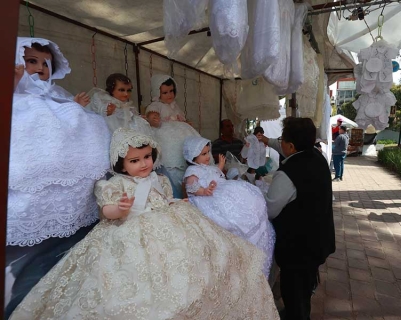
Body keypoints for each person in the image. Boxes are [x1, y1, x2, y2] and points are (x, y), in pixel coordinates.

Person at [10, 128, 280, 320]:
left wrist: (177, 203)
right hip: (129, 230)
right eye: (135, 160)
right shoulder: (115, 184)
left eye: (147, 158)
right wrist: (118, 208)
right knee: (134, 280)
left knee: (199, 264)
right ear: (121, 163)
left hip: (168, 221)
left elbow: (164, 199)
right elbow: (106, 211)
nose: (143, 164)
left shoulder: (159, 179)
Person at [6, 37, 110, 318]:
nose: (40, 68)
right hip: (33, 137)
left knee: (90, 122)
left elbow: (66, 106)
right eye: (31, 61)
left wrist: (74, 105)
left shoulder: (54, 90)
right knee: (37, 122)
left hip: (60, 135)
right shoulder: (18, 88)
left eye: (45, 63)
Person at [264, 117, 335, 320]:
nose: (281, 143)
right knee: (304, 289)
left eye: (282, 140)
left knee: (294, 293)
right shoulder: (316, 157)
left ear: (292, 146)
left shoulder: (288, 174)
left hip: (298, 248)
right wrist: (267, 141)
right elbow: (280, 144)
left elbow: (271, 209)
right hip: (318, 240)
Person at [183, 136, 275, 276]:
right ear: (192, 156)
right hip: (207, 198)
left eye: (208, 152)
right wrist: (204, 191)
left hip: (220, 189)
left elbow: (216, 174)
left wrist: (220, 165)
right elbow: (192, 188)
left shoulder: (207, 168)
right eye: (203, 154)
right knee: (229, 213)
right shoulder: (192, 172)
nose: (207, 156)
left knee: (247, 196)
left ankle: (254, 223)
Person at [144, 74, 202, 198]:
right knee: (172, 159)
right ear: (157, 93)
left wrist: (185, 123)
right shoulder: (156, 105)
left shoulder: (176, 106)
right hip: (165, 134)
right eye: (165, 92)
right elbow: (151, 114)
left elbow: (180, 117)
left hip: (182, 132)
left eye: (171, 91)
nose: (169, 94)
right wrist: (153, 118)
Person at [86, 73, 152, 136]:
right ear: (112, 89)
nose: (126, 94)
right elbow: (96, 112)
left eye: (129, 90)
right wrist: (106, 111)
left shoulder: (127, 106)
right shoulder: (103, 99)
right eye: (121, 90)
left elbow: (129, 121)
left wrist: (138, 119)